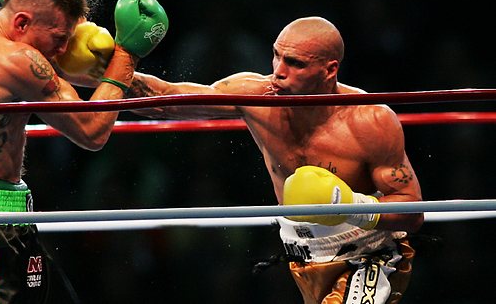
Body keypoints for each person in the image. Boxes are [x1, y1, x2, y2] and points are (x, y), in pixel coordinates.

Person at [128, 16, 423, 304]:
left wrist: (348, 206)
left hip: (369, 255)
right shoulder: (256, 96)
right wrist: (110, 63)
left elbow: (413, 211)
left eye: (295, 63)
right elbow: (165, 101)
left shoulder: (370, 119)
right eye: (276, 56)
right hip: (303, 255)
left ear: (329, 70)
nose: (278, 71)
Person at [0, 0, 168, 303]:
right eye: (59, 38)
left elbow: (58, 75)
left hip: (3, 218)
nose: (63, 49)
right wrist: (126, 54)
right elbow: (92, 131)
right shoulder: (17, 60)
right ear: (22, 23)